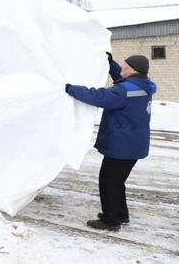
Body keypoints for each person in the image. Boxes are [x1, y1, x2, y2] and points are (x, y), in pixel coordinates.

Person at [65, 53, 156, 232]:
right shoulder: (144, 85)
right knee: (117, 181)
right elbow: (121, 81)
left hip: (122, 146)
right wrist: (110, 64)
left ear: (134, 70)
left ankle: (111, 220)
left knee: (108, 182)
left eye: (125, 66)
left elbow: (98, 96)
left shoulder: (124, 91)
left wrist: (70, 88)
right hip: (134, 144)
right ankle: (121, 214)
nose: (122, 68)